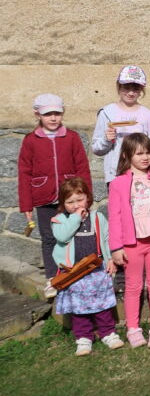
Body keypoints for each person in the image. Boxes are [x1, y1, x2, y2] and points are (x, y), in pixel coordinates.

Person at [107, 133, 150, 348]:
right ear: (127, 155)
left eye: (148, 153)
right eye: (139, 153)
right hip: (131, 245)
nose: (145, 157)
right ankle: (133, 329)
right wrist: (116, 247)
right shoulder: (118, 184)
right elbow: (114, 217)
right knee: (133, 287)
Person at [18, 93, 91, 294]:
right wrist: (26, 205)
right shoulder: (31, 140)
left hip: (71, 198)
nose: (53, 118)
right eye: (47, 114)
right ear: (38, 114)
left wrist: (86, 197)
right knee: (49, 238)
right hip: (43, 198)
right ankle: (52, 277)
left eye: (57, 113)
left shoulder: (72, 137)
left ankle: (75, 272)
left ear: (62, 113)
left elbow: (83, 168)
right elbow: (24, 173)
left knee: (74, 234)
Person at [51, 178, 122, 356]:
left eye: (80, 200)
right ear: (63, 203)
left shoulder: (97, 217)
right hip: (74, 273)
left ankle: (108, 333)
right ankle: (84, 338)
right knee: (79, 308)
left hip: (97, 271)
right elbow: (63, 237)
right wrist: (76, 218)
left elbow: (106, 239)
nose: (76, 205)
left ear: (88, 198)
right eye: (70, 202)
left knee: (102, 304)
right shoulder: (59, 220)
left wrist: (110, 259)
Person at [91, 65, 150, 185]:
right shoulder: (107, 113)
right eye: (126, 88)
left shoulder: (149, 116)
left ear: (141, 90)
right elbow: (96, 149)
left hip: (142, 177)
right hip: (115, 176)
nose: (131, 93)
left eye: (135, 89)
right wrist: (106, 140)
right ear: (119, 87)